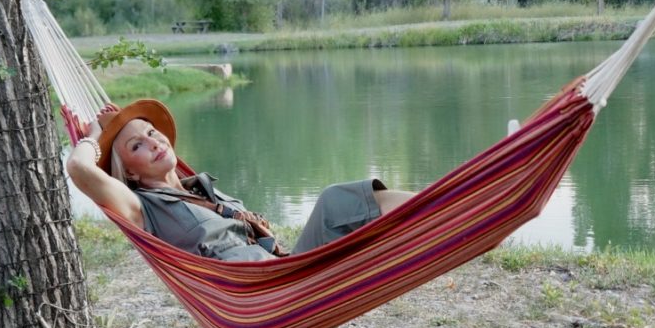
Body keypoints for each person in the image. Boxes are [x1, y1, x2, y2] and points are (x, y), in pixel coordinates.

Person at [66, 99, 415, 261]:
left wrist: (119, 127)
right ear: (129, 171)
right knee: (336, 201)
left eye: (153, 132)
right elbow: (80, 170)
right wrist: (94, 136)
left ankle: (445, 205)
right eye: (137, 145)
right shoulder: (142, 207)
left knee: (336, 200)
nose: (155, 142)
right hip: (261, 296)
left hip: (288, 271)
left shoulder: (199, 189)